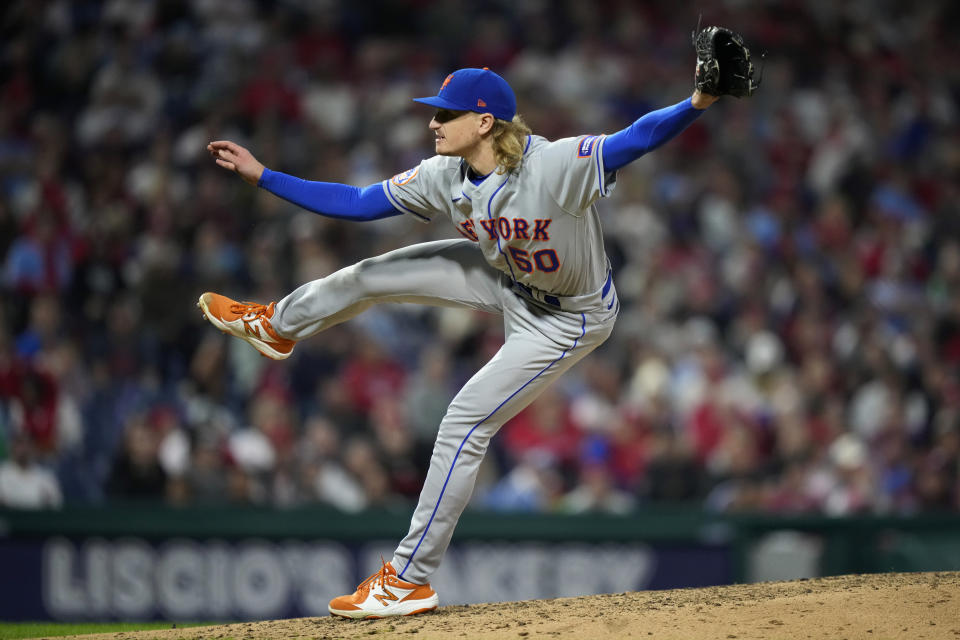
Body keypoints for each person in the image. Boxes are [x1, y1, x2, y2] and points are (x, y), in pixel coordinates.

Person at [199, 66, 719, 618]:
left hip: (568, 318)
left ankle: (407, 580)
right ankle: (277, 327)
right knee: (371, 275)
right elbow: (357, 202)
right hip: (505, 275)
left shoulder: (550, 165)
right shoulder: (444, 173)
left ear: (485, 121)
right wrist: (265, 176)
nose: (433, 121)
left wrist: (698, 100)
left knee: (464, 422)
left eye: (447, 113)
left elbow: (635, 139)